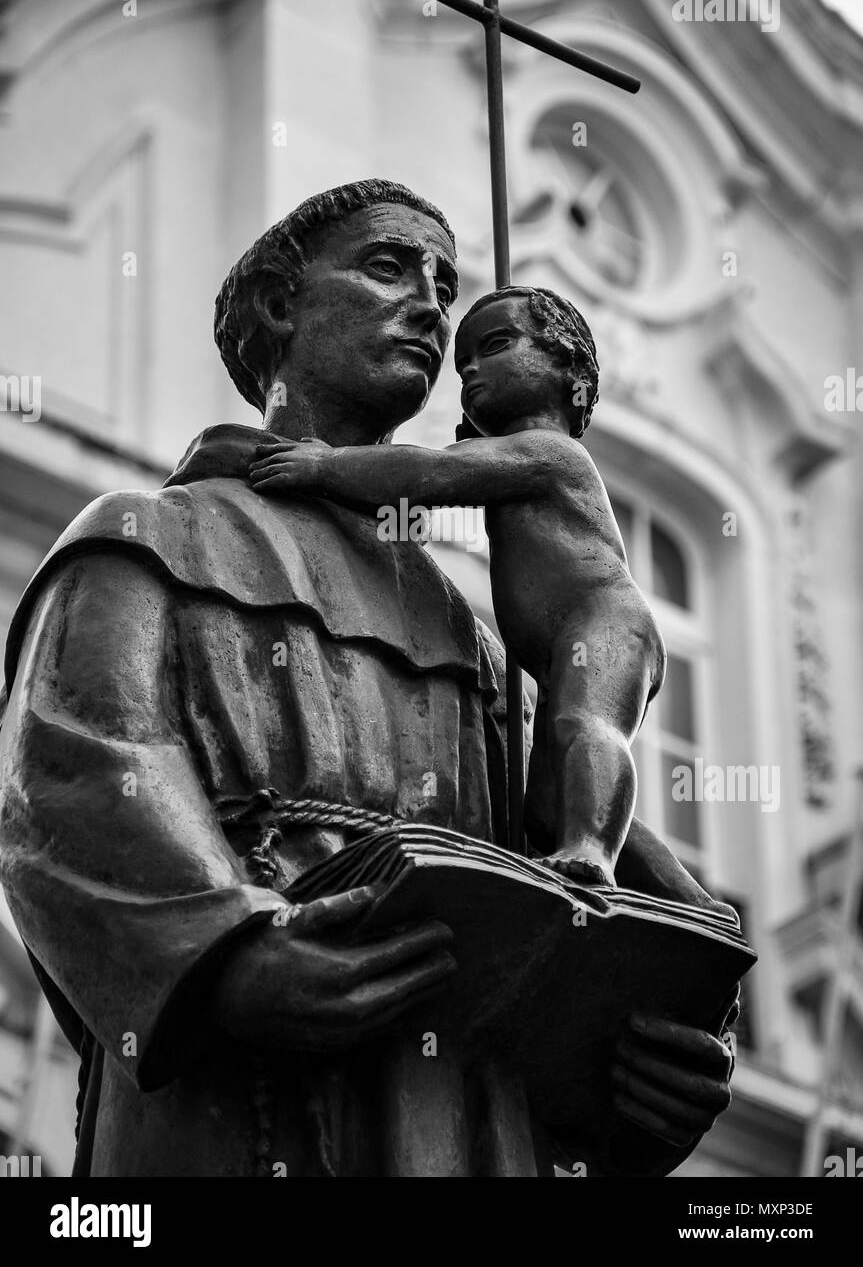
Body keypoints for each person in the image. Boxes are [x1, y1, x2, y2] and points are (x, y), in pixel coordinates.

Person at [0, 181, 735, 1176]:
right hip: (239, 1107)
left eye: (445, 282)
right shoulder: (154, 535)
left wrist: (640, 1058)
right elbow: (71, 780)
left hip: (462, 1114)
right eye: (389, 267)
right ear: (277, 305)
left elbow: (553, 853)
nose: (433, 308)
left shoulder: (472, 638)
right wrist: (227, 955)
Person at [250, 285, 665, 887]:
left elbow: (431, 475)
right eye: (463, 361)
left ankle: (592, 852)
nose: (469, 367)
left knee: (586, 730)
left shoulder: (553, 453)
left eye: (495, 346)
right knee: (547, 807)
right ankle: (691, 900)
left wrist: (325, 466)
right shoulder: (510, 456)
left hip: (605, 628)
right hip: (557, 650)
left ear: (565, 363)